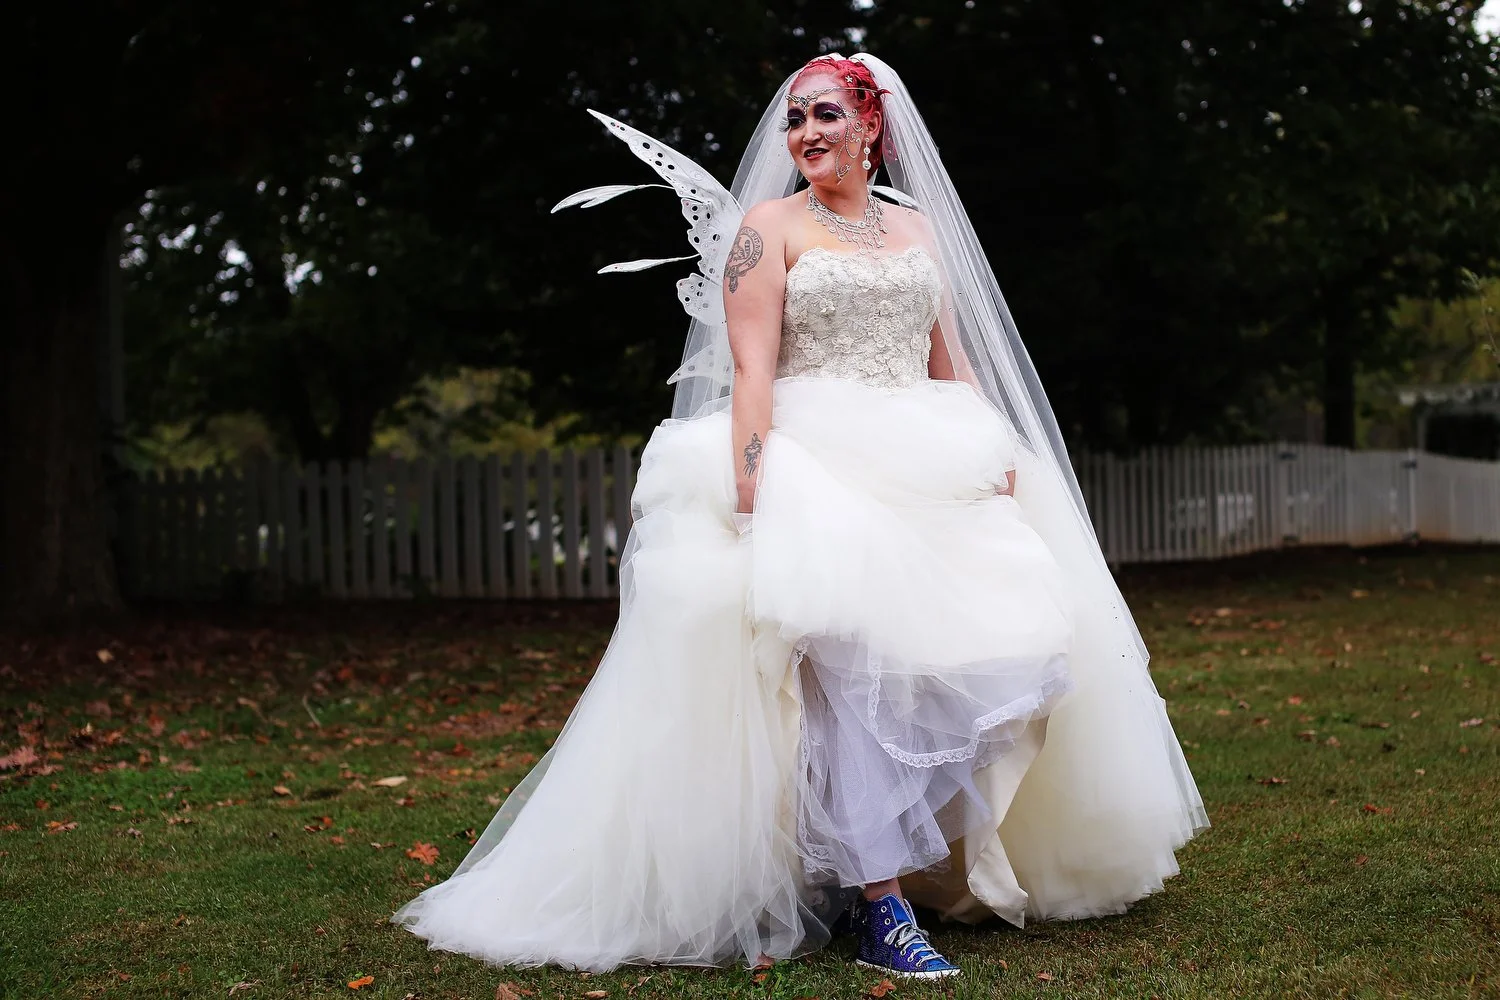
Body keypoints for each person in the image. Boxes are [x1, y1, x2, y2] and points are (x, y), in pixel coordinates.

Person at [391, 52, 1209, 981]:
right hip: (816, 466)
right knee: (853, 681)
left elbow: (951, 358)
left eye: (825, 113)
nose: (806, 134)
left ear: (871, 123)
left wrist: (993, 454)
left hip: (930, 461)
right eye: (794, 120)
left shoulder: (917, 227)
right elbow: (750, 370)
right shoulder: (765, 230)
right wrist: (753, 487)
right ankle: (880, 904)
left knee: (1009, 649)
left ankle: (909, 863)